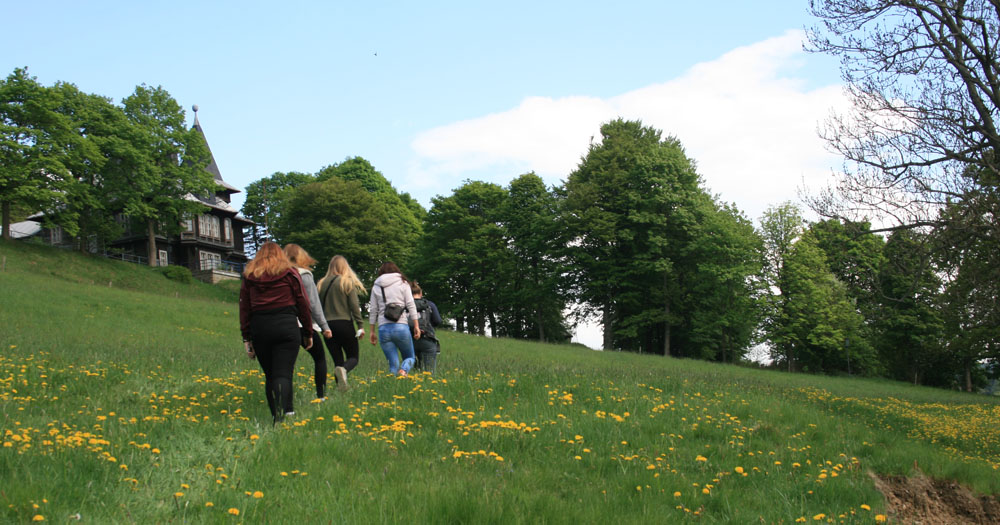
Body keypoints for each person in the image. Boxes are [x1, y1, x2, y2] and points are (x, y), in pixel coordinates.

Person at [239, 242, 312, 424]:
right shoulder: (290, 273)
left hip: (260, 327)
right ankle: (284, 416)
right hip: (286, 324)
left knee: (270, 375)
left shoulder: (250, 276)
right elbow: (303, 302)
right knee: (283, 374)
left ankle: (276, 417)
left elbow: (244, 308)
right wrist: (308, 331)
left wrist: (246, 337)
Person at [283, 244, 333, 401]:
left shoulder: (279, 275)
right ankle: (321, 396)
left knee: (286, 366)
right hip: (303, 325)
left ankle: (285, 403)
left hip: (284, 324)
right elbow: (313, 303)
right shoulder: (304, 275)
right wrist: (324, 326)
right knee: (319, 358)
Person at [317, 255, 366, 391]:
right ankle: (344, 371)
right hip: (344, 324)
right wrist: (360, 325)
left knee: (337, 361)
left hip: (327, 326)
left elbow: (317, 306)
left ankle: (341, 388)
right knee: (353, 357)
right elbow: (354, 306)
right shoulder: (346, 282)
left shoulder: (321, 283)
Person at [368, 262, 421, 376]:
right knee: (410, 357)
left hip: (383, 328)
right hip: (401, 326)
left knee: (393, 365)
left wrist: (372, 331)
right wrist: (416, 325)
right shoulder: (403, 283)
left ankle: (392, 387)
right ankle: (404, 370)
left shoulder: (376, 286)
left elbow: (373, 310)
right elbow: (411, 304)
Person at [410, 282, 442, 375]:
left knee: (413, 372)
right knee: (429, 372)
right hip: (427, 338)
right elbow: (438, 321)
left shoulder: (405, 305)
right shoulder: (429, 305)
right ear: (421, 293)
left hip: (409, 340)